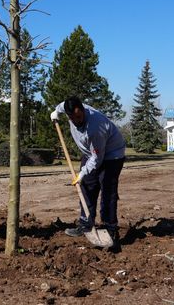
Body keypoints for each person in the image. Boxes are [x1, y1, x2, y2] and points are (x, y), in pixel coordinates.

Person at [51, 95, 126, 251]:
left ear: (83, 110)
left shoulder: (95, 128)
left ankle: (110, 228)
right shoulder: (70, 110)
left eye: (78, 117)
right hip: (90, 154)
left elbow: (97, 158)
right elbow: (61, 106)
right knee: (86, 187)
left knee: (107, 190)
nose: (76, 120)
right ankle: (86, 224)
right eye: (72, 118)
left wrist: (83, 172)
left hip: (112, 155)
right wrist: (56, 113)